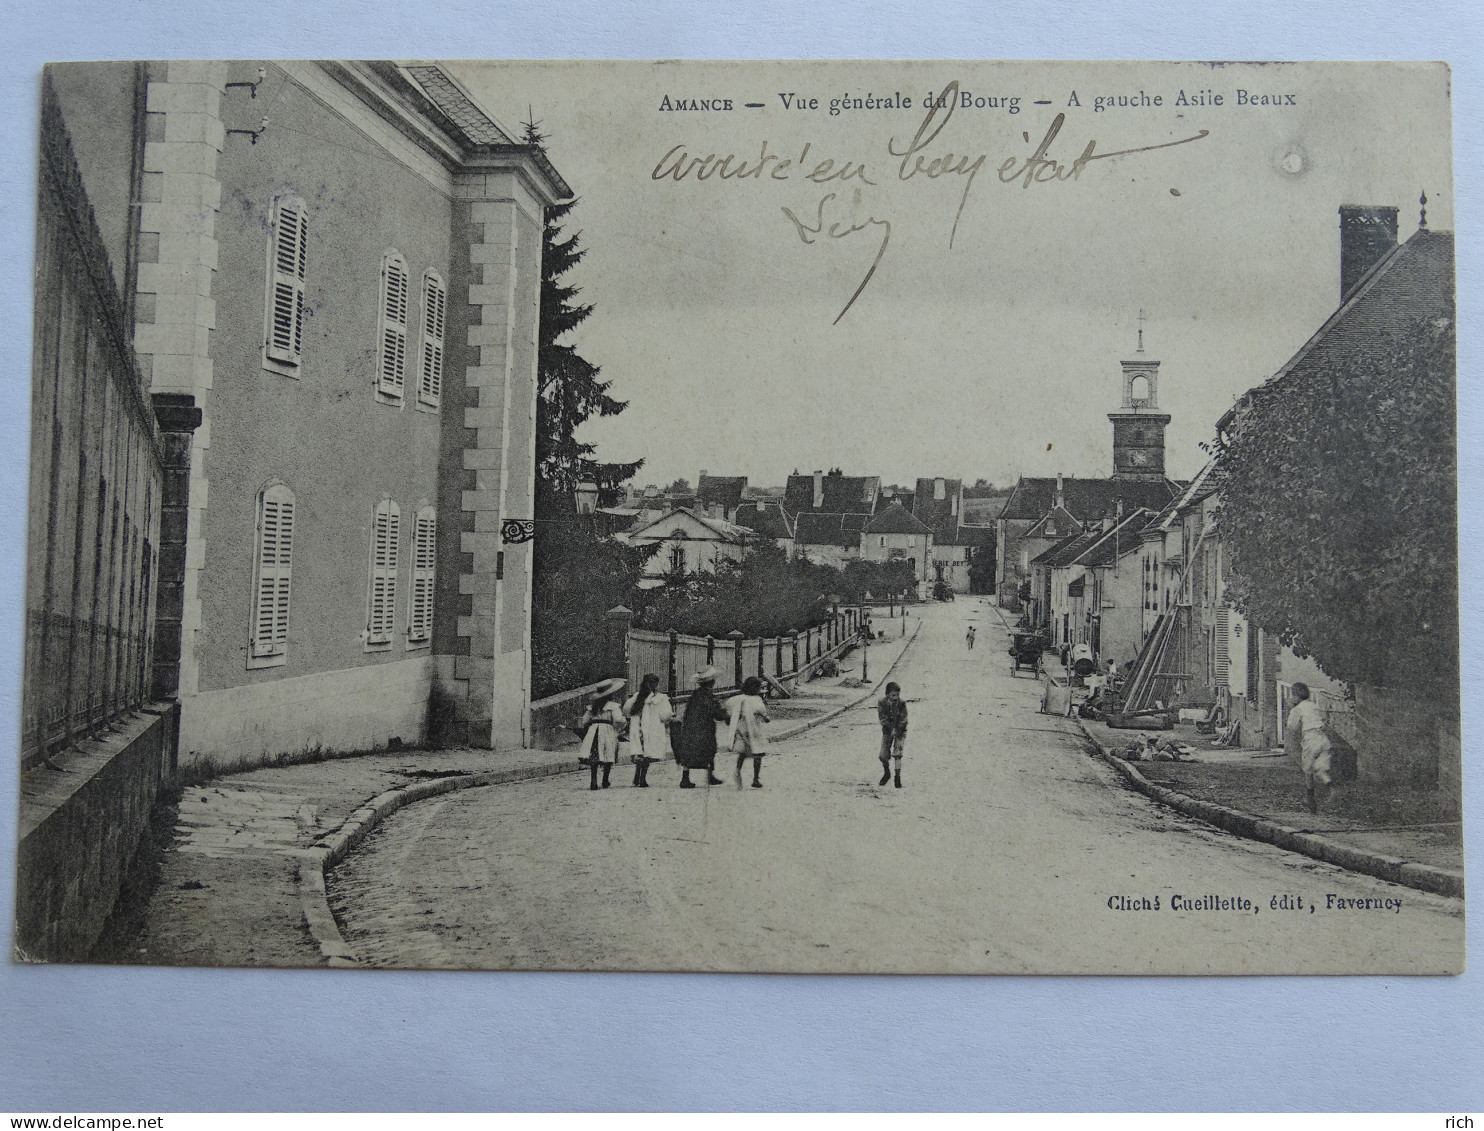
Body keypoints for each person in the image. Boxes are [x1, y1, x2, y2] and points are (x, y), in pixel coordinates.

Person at [675, 666, 728, 788]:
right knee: (709, 750)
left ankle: (686, 777)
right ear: (712, 682)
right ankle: (709, 776)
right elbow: (717, 713)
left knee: (690, 752)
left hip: (691, 728)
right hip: (704, 728)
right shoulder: (708, 696)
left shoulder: (696, 694)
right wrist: (726, 714)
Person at [1285, 682, 1333, 814]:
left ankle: (1310, 799)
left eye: (1292, 695)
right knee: (1321, 769)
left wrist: (1291, 710)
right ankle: (1331, 786)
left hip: (1311, 739)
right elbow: (1323, 720)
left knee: (1308, 769)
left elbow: (1291, 727)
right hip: (1323, 739)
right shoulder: (1314, 705)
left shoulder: (1297, 708)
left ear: (1296, 696)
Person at [624, 673, 673, 788]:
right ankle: (642, 778)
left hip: (638, 728)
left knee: (640, 753)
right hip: (652, 729)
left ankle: (637, 776)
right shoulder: (659, 698)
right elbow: (664, 715)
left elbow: (626, 710)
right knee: (647, 753)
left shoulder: (637, 697)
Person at [576, 678, 627, 791]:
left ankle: (593, 780)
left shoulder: (593, 707)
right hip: (607, 730)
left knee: (595, 755)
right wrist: (620, 727)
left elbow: (584, 720)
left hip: (594, 731)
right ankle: (605, 779)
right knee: (608, 753)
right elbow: (618, 719)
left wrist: (590, 725)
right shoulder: (613, 706)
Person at [728, 675, 772, 789]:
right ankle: (755, 779)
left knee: (743, 752)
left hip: (742, 729)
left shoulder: (740, 698)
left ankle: (737, 771)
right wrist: (766, 718)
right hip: (755, 729)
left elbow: (729, 705)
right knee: (758, 753)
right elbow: (763, 713)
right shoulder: (757, 700)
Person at [877, 681, 908, 787]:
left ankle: (897, 778)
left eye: (898, 695)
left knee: (897, 754)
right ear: (887, 695)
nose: (896, 698)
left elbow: (904, 719)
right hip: (887, 731)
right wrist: (891, 729)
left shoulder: (902, 703)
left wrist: (897, 729)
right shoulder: (882, 703)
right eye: (893, 695)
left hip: (900, 731)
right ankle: (887, 773)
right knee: (883, 756)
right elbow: (883, 719)